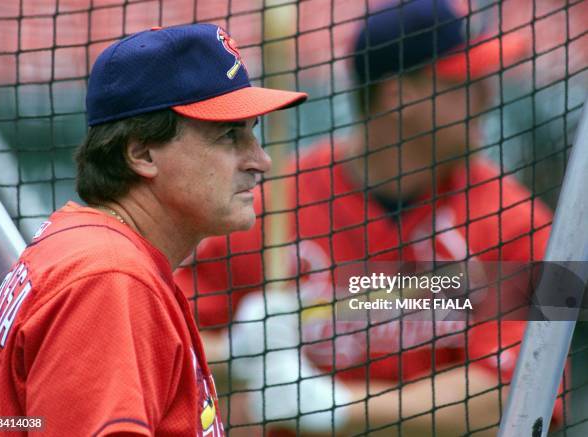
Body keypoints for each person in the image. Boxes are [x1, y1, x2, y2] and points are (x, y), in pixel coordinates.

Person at [175, 1, 563, 435]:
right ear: (397, 95)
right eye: (463, 81)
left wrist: (338, 407)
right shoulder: (269, 206)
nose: (488, 95)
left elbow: (523, 393)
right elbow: (168, 346)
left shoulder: (522, 221)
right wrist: (234, 355)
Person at [0, 23, 306, 436]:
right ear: (142, 152)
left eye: (252, 133)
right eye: (228, 135)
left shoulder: (91, 252)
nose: (261, 160)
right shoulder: (109, 281)